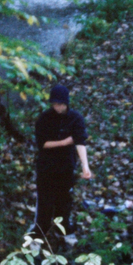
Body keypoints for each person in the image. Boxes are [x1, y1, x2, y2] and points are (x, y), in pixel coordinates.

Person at [33, 84, 91, 245]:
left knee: (64, 201)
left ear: (66, 103)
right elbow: (42, 144)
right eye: (54, 104)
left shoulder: (75, 118)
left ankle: (63, 230)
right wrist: (64, 142)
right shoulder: (44, 118)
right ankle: (39, 235)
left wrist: (85, 166)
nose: (57, 107)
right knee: (45, 203)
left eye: (60, 104)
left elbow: (80, 142)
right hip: (46, 167)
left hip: (66, 167)